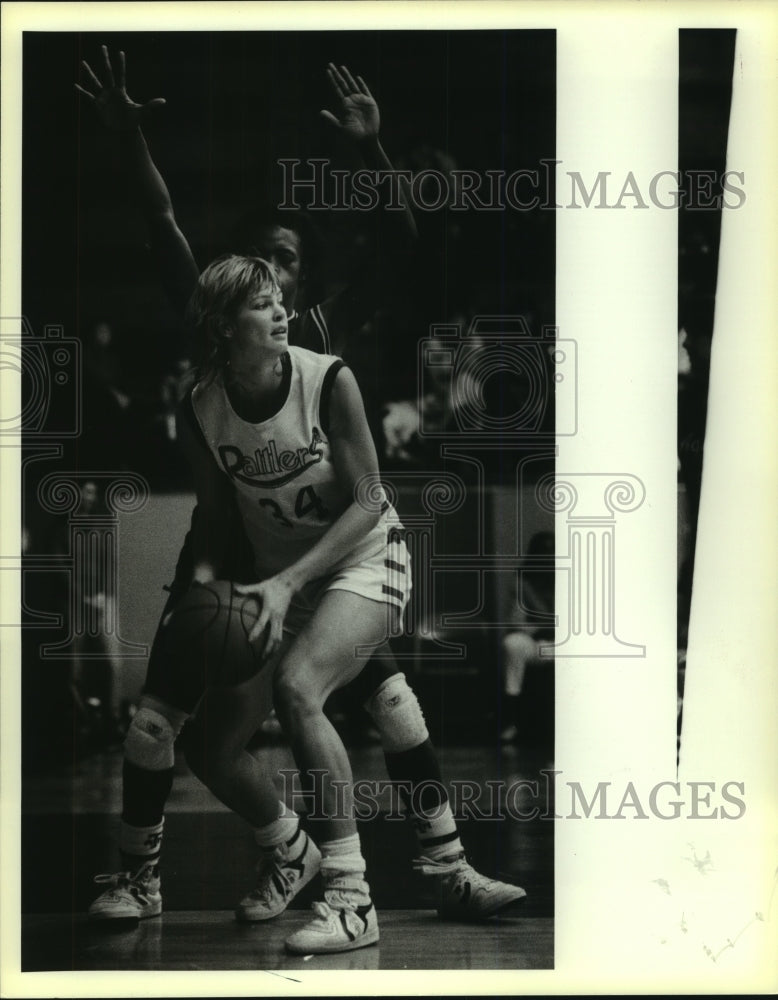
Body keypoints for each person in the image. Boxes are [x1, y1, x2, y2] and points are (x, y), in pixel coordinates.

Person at [80, 48, 525, 929]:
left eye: (286, 268)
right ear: (227, 305)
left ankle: (393, 881)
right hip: (262, 562)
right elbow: (163, 223)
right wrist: (129, 142)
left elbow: (404, 249)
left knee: (360, 697)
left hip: (345, 555)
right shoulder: (205, 394)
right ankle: (286, 854)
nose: (277, 284)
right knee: (193, 732)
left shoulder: (325, 353)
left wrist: (374, 153)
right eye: (261, 273)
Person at [500, 531, 555, 744]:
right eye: (543, 552)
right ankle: (510, 719)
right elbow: (515, 621)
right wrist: (537, 627)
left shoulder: (571, 577)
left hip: (564, 642)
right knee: (512, 644)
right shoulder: (523, 580)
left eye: (552, 552)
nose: (548, 558)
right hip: (538, 641)